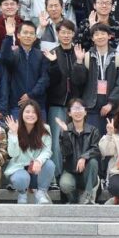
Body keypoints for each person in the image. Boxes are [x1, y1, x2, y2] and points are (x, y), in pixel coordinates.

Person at [43, 20, 86, 181]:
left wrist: (79, 62)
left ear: (73, 34)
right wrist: (53, 62)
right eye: (63, 32)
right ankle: (56, 175)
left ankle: (76, 173)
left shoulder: (79, 52)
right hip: (57, 102)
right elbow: (51, 81)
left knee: (76, 139)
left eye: (69, 32)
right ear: (58, 33)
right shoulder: (52, 53)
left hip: (76, 104)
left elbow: (81, 80)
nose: (66, 35)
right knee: (56, 140)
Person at [76, 24, 119, 130]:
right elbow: (78, 81)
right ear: (92, 38)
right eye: (96, 34)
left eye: (103, 34)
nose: (100, 37)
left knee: (112, 137)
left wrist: (111, 103)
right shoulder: (86, 57)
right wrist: (79, 62)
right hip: (91, 107)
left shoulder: (118, 58)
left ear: (109, 36)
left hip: (113, 109)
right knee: (93, 137)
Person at [4, 100, 55, 204]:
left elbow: (47, 151)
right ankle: (22, 193)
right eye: (27, 112)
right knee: (21, 178)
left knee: (49, 164)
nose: (30, 115)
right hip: (19, 169)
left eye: (34, 112)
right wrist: (14, 134)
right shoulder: (15, 128)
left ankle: (41, 192)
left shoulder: (45, 128)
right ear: (22, 114)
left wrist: (38, 161)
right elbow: (12, 154)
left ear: (38, 114)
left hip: (37, 172)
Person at [54, 98, 101, 204]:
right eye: (74, 109)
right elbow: (66, 152)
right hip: (70, 171)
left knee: (93, 162)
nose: (78, 111)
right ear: (69, 113)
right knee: (65, 184)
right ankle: (74, 199)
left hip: (87, 172)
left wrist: (84, 157)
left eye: (80, 108)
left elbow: (96, 148)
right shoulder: (65, 130)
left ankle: (88, 195)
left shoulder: (93, 130)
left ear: (85, 112)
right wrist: (65, 133)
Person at [2, 19, 49, 120]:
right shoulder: (14, 54)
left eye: (31, 33)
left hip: (38, 105)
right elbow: (4, 58)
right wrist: (9, 35)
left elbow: (44, 79)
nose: (28, 36)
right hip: (17, 105)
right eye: (25, 32)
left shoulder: (41, 55)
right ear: (18, 35)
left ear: (35, 37)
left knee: (40, 131)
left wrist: (31, 95)